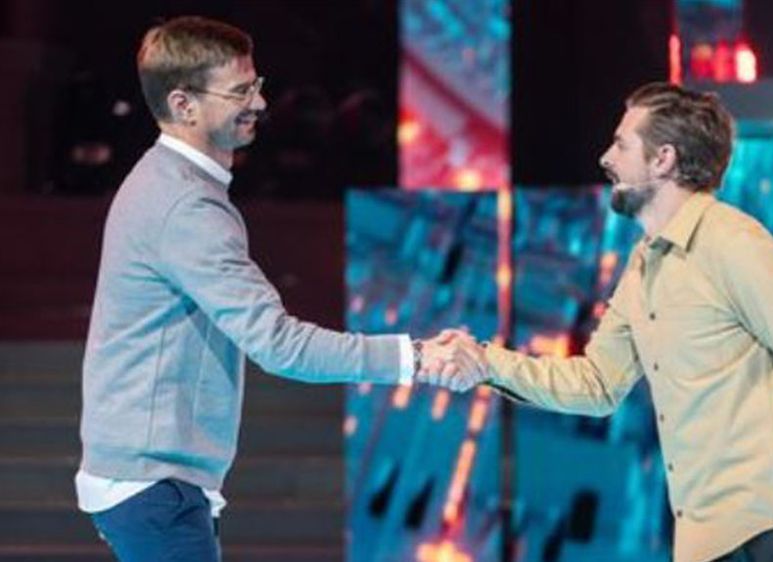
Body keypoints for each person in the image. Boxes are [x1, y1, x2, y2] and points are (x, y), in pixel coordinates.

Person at [76, 16, 482, 562]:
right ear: (183, 105)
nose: (260, 103)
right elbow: (280, 344)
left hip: (157, 479)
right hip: (154, 485)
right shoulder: (185, 206)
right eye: (240, 92)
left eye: (257, 85)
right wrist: (417, 357)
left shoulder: (172, 185)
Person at [426, 82, 773, 562]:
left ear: (663, 159)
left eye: (622, 144)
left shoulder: (734, 243)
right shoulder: (643, 267)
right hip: (707, 536)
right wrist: (485, 362)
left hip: (765, 528)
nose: (606, 158)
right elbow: (596, 383)